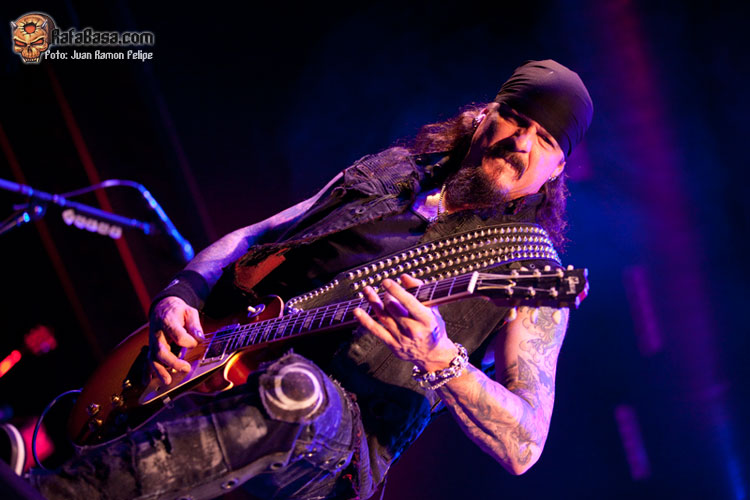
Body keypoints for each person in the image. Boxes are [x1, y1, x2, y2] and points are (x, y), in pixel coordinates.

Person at [31, 59, 593, 500]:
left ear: (558, 168)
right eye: (516, 119)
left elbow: (525, 445)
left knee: (297, 389)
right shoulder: (395, 171)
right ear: (486, 114)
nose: (521, 143)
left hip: (338, 444)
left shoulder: (529, 268)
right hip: (226, 362)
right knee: (282, 381)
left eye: (545, 140)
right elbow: (255, 236)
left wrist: (441, 358)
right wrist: (181, 294)